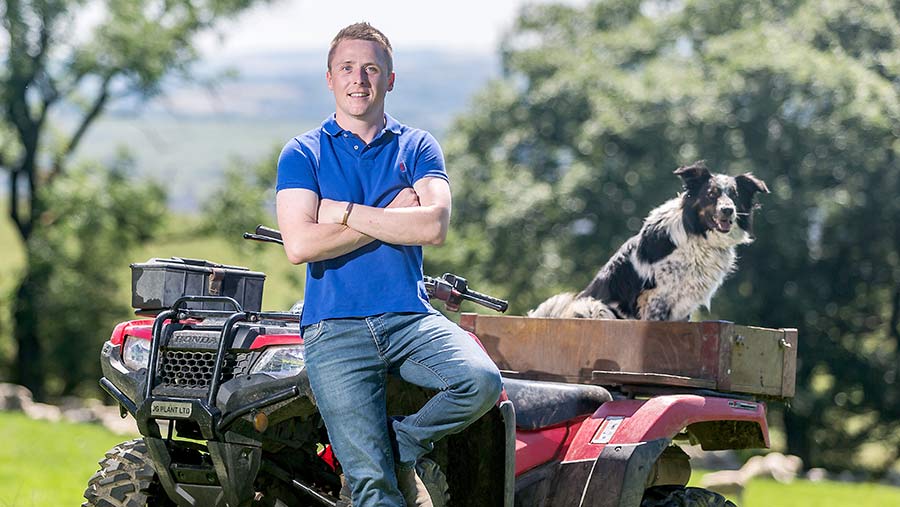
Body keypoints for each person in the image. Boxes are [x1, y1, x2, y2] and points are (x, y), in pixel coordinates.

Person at [275, 22, 503, 506]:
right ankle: (382, 461)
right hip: (334, 330)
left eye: (371, 68)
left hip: (409, 317)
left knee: (480, 380)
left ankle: (402, 443)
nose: (360, 79)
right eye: (348, 69)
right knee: (372, 487)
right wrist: (395, 213)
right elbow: (300, 245)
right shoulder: (303, 152)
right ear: (330, 79)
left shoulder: (417, 146)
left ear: (390, 79)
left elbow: (434, 226)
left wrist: (345, 212)